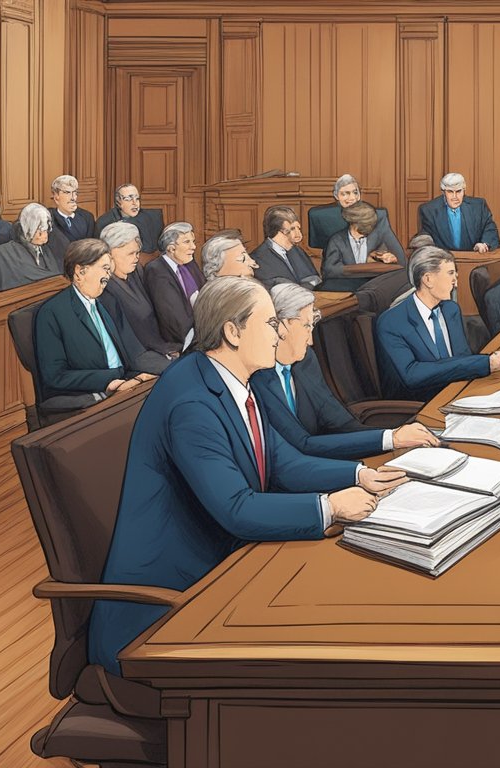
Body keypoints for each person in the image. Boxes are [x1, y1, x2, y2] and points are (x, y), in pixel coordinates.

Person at [87, 276, 409, 676]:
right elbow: (236, 509)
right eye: (271, 324)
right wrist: (330, 505)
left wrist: (360, 475)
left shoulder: (230, 378)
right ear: (233, 332)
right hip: (164, 617)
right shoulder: (191, 403)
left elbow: (283, 462)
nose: (279, 334)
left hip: (224, 575)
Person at [250, 283, 441, 459]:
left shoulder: (305, 360)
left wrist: (396, 437)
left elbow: (339, 422)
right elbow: (301, 445)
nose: (311, 341)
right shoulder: (258, 375)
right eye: (306, 326)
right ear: (282, 325)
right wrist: (391, 439)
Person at [33, 239, 167, 404]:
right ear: (80, 272)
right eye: (104, 269)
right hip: (91, 397)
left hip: (129, 384)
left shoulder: (109, 302)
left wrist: (166, 370)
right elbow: (55, 376)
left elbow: (133, 353)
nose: (108, 276)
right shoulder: (51, 313)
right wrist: (109, 382)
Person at [376, 247, 500, 401]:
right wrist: (484, 363)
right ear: (428, 279)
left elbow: (462, 358)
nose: (455, 283)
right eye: (450, 274)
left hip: (458, 393)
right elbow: (412, 376)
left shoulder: (451, 309)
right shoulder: (392, 321)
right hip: (419, 406)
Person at [97, 222, 181, 358]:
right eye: (130, 253)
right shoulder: (105, 289)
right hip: (139, 356)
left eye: (137, 252)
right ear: (110, 254)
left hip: (161, 347)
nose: (136, 258)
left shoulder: (136, 272)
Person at [143, 222, 205, 347]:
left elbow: (207, 294)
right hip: (182, 341)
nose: (193, 247)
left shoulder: (190, 263)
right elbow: (174, 320)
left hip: (203, 329)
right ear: (171, 248)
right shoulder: (156, 271)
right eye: (187, 242)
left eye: (193, 241)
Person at [321, 202, 405, 292]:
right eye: (365, 226)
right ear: (353, 224)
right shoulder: (337, 240)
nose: (369, 230)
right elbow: (329, 270)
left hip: (372, 282)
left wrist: (383, 257)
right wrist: (357, 270)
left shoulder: (374, 237)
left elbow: (399, 260)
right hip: (346, 283)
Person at [0, 202, 64, 292]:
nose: (44, 237)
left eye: (46, 230)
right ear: (27, 228)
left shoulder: (49, 250)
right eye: (39, 231)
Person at [306, 173, 401, 251]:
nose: (352, 198)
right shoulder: (319, 216)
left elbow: (394, 249)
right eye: (345, 193)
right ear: (336, 196)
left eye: (355, 192)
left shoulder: (379, 215)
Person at [417, 173, 500, 253]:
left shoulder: (478, 206)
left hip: (473, 259)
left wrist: (484, 244)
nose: (455, 197)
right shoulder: (429, 210)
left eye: (458, 191)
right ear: (443, 192)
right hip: (442, 262)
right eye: (450, 192)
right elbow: (425, 236)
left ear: (464, 191)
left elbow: (490, 229)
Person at [251, 206, 322, 289]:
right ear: (278, 231)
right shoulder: (258, 257)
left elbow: (315, 278)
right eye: (292, 228)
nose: (298, 233)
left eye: (298, 228)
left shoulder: (297, 251)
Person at [95, 184, 165, 255]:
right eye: (128, 199)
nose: (135, 203)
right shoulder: (104, 222)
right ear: (118, 203)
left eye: (137, 199)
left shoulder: (152, 217)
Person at [48, 174, 97, 249]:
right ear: (56, 196)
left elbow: (92, 247)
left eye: (75, 192)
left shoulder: (87, 217)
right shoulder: (49, 218)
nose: (73, 198)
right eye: (67, 192)